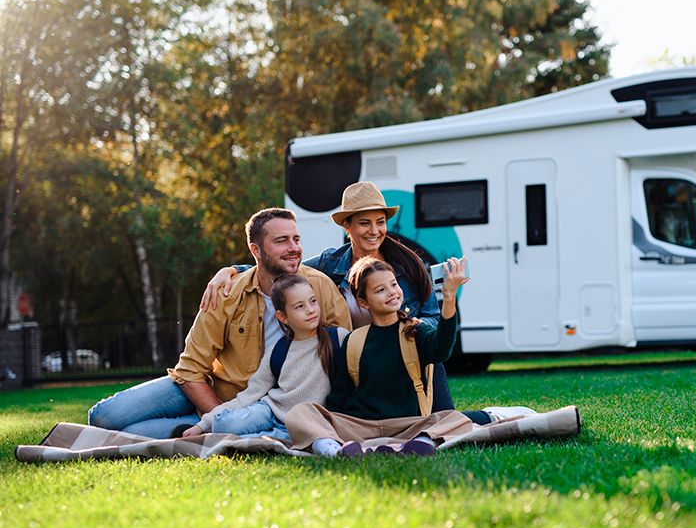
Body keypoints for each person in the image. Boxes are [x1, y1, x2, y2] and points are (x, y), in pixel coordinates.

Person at [201, 182, 533, 424]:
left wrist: (406, 331)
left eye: (380, 222)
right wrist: (231, 270)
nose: (374, 231)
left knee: (443, 423)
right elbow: (285, 269)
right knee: (370, 425)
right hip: (358, 361)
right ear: (347, 227)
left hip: (410, 356)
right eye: (364, 223)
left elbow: (431, 321)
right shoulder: (330, 264)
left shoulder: (408, 266)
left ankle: (494, 416)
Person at [87, 208, 351, 439]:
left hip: (265, 406)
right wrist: (217, 418)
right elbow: (190, 368)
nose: (294, 248)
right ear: (255, 250)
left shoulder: (319, 286)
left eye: (296, 239)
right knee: (102, 418)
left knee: (127, 434)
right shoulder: (227, 292)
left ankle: (191, 426)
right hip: (216, 392)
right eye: (282, 241)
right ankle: (198, 422)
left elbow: (345, 353)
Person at [287, 256, 474, 457]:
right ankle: (334, 451)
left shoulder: (415, 331)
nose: (392, 292)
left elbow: (442, 348)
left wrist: (449, 297)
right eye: (380, 290)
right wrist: (326, 422)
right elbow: (339, 395)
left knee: (456, 419)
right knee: (300, 413)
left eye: (393, 284)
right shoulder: (354, 340)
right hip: (361, 426)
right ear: (363, 302)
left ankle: (422, 442)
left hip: (409, 425)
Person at [179, 274, 350, 441]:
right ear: (282, 317)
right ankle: (268, 436)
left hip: (306, 419)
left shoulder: (338, 338)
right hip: (270, 411)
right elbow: (249, 395)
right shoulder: (279, 350)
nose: (310, 310)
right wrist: (202, 425)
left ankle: (270, 437)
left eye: (313, 301)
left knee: (297, 431)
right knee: (224, 424)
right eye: (299, 306)